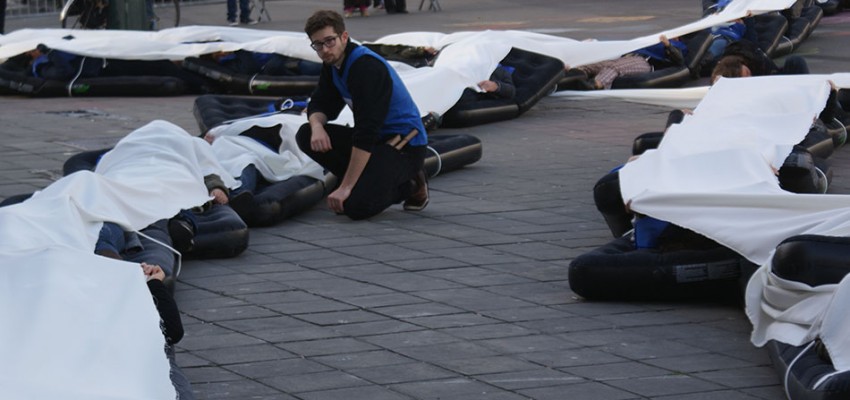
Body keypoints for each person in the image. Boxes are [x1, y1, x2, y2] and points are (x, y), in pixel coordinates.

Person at [296, 10, 429, 220]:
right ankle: (360, 182)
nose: (324, 50)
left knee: (355, 206)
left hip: (404, 145)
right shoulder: (332, 64)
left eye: (330, 41)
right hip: (376, 141)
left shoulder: (366, 68)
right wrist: (317, 127)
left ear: (344, 37)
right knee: (305, 135)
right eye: (318, 45)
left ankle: (411, 184)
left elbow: (366, 131)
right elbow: (321, 102)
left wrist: (346, 188)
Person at [573, 35, 687, 90]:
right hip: (627, 55)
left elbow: (679, 60)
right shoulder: (654, 39)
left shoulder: (678, 46)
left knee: (616, 67)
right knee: (597, 64)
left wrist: (668, 45)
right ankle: (573, 74)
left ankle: (596, 84)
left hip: (644, 62)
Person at [710, 39, 809, 83]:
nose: (750, 76)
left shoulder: (751, 56)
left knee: (796, 61)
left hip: (773, 80)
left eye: (748, 73)